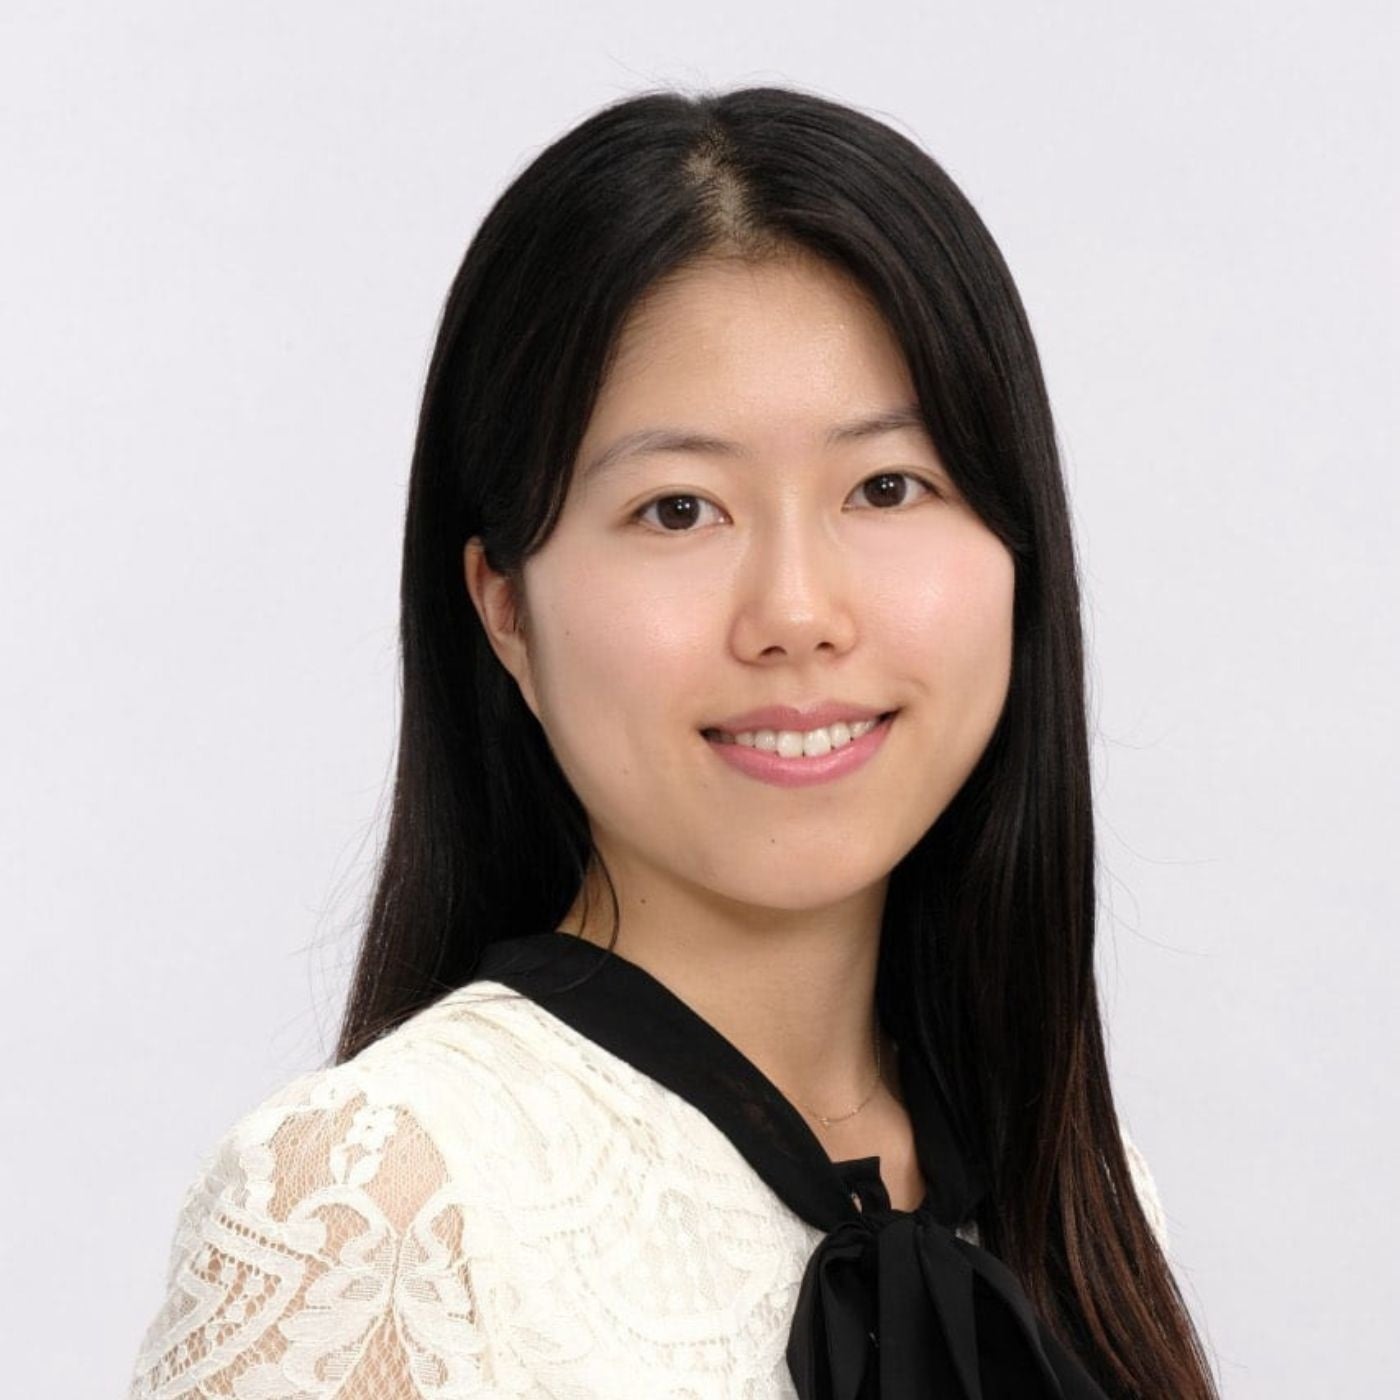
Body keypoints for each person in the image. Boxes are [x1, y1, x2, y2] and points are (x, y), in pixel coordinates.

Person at [127, 85, 1219, 1399]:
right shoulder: (380, 1206)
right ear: (505, 607)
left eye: (886, 487)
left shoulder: (1075, 1199)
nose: (797, 615)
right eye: (679, 509)